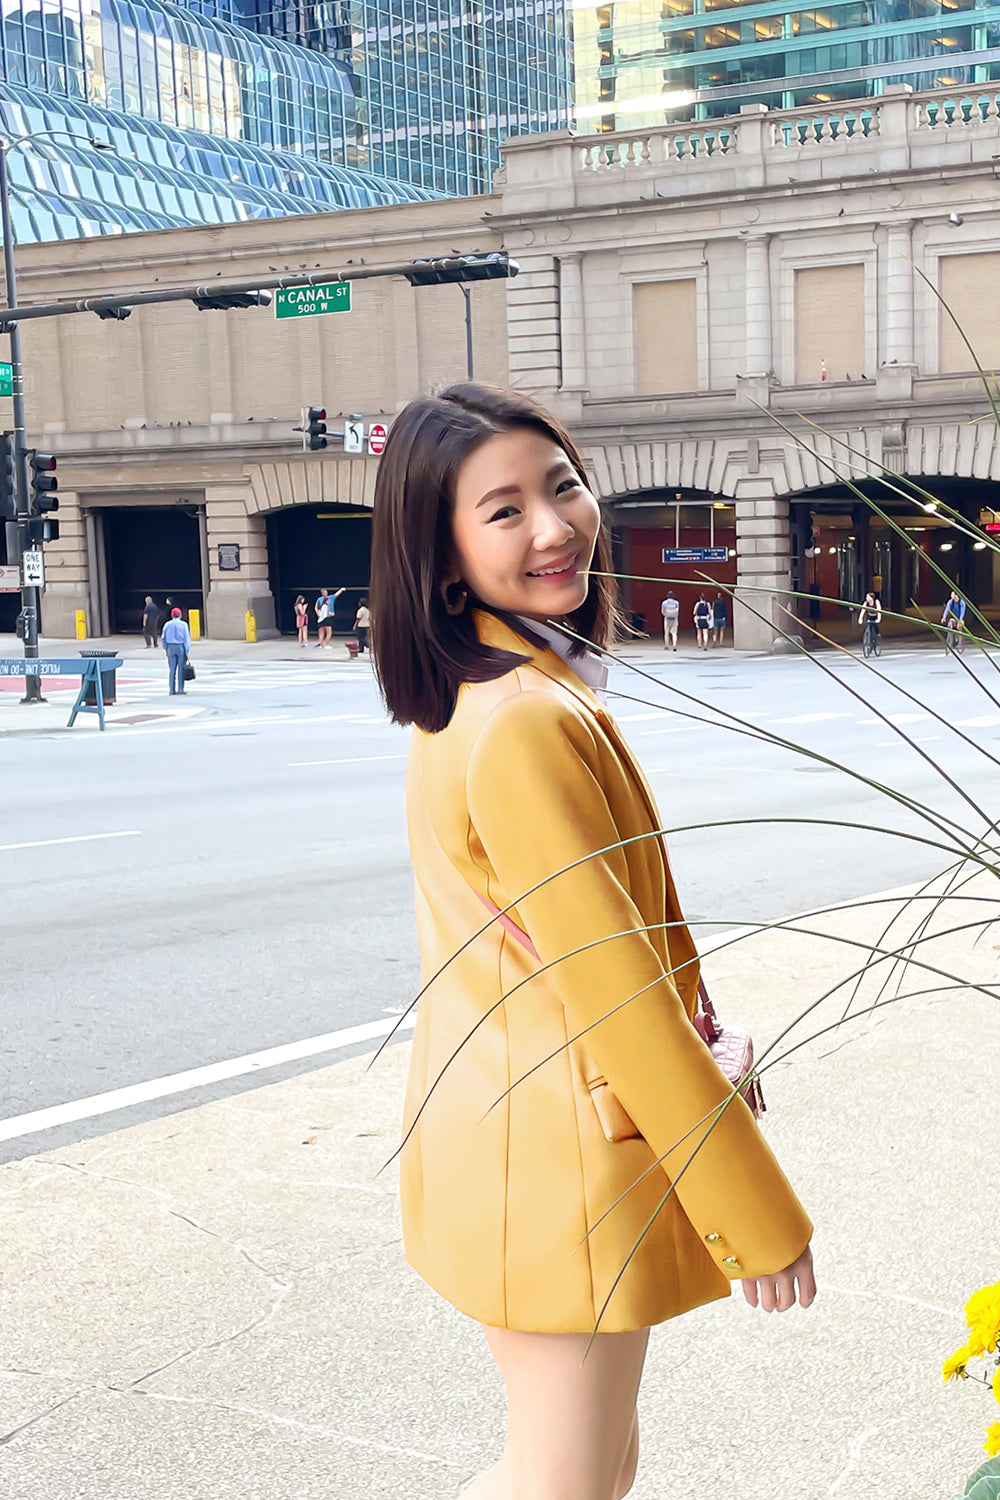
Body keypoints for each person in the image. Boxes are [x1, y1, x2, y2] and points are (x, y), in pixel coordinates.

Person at [370, 383, 815, 1500]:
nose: (555, 526)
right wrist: (755, 1213)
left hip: (513, 1147)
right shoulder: (522, 717)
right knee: (569, 1484)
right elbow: (612, 991)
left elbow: (548, 959)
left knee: (579, 1471)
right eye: (504, 509)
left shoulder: (488, 693)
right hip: (554, 1178)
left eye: (561, 486)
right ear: (440, 552)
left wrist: (705, 1039)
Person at [161, 606, 191, 695]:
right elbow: (186, 638)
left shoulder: (167, 624)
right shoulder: (184, 625)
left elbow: (163, 638)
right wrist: (187, 651)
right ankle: (180, 689)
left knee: (172, 669)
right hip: (180, 646)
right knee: (181, 669)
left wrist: (166, 648)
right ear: (180, 615)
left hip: (170, 647)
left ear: (172, 615)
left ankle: (171, 689)